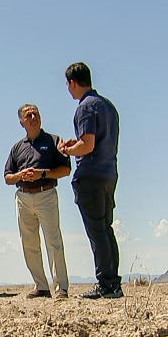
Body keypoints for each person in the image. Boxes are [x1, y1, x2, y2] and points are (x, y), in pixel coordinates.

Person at [58, 62, 123, 299]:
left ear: (72, 82)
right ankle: (113, 283)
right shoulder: (108, 107)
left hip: (91, 176)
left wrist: (67, 150)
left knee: (96, 231)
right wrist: (73, 145)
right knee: (105, 229)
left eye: (67, 84)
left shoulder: (84, 107)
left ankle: (106, 284)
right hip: (108, 173)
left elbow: (87, 145)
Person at [4, 104, 71, 299]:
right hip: (23, 197)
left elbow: (65, 169)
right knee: (29, 244)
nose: (33, 117)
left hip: (46, 195)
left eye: (36, 113)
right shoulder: (17, 147)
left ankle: (61, 288)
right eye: (28, 115)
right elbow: (7, 177)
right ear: (21, 122)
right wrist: (20, 175)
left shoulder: (53, 141)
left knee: (53, 242)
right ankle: (41, 286)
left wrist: (42, 173)